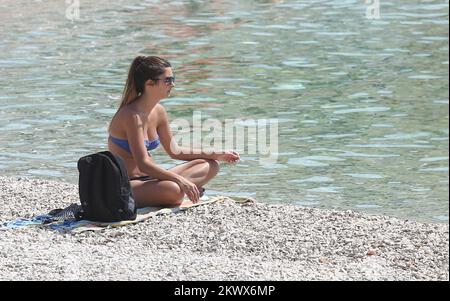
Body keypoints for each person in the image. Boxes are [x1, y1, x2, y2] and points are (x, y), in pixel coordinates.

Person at [108, 56, 240, 208]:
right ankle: (183, 189)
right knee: (174, 191)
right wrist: (180, 180)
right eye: (168, 80)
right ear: (149, 83)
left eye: (173, 79)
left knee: (211, 165)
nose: (173, 84)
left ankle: (182, 188)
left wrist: (217, 154)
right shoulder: (131, 115)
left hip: (151, 179)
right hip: (127, 185)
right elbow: (143, 164)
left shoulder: (158, 111)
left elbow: (175, 151)